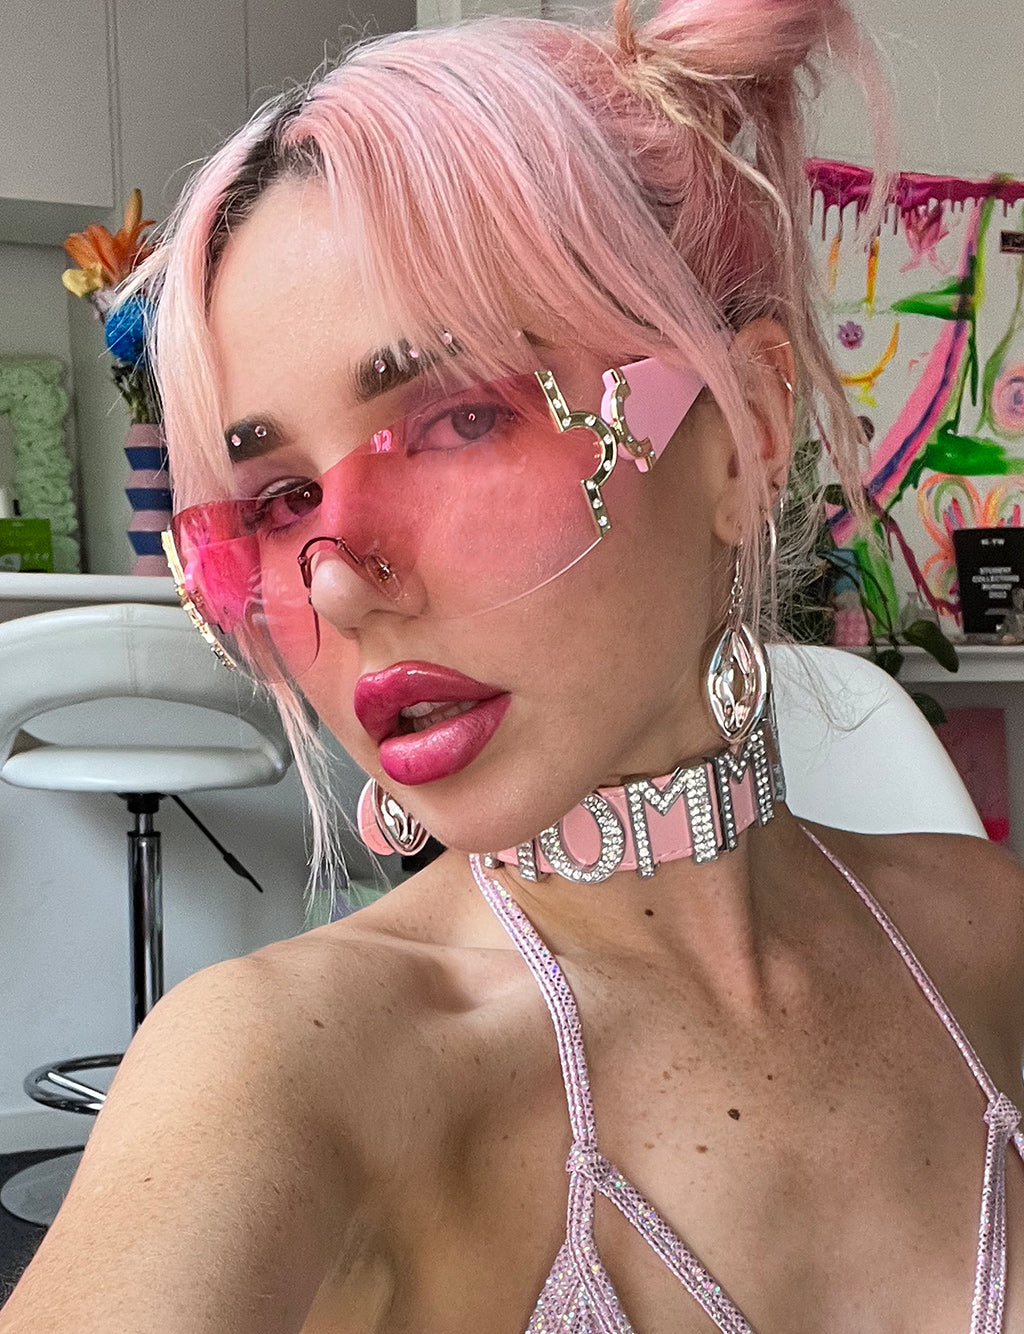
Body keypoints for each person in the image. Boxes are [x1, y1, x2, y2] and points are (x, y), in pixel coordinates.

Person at [4, 0, 1024, 1330]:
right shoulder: (283, 1071)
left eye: (458, 420)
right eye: (277, 500)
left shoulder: (987, 933)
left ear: (744, 437)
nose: (338, 578)